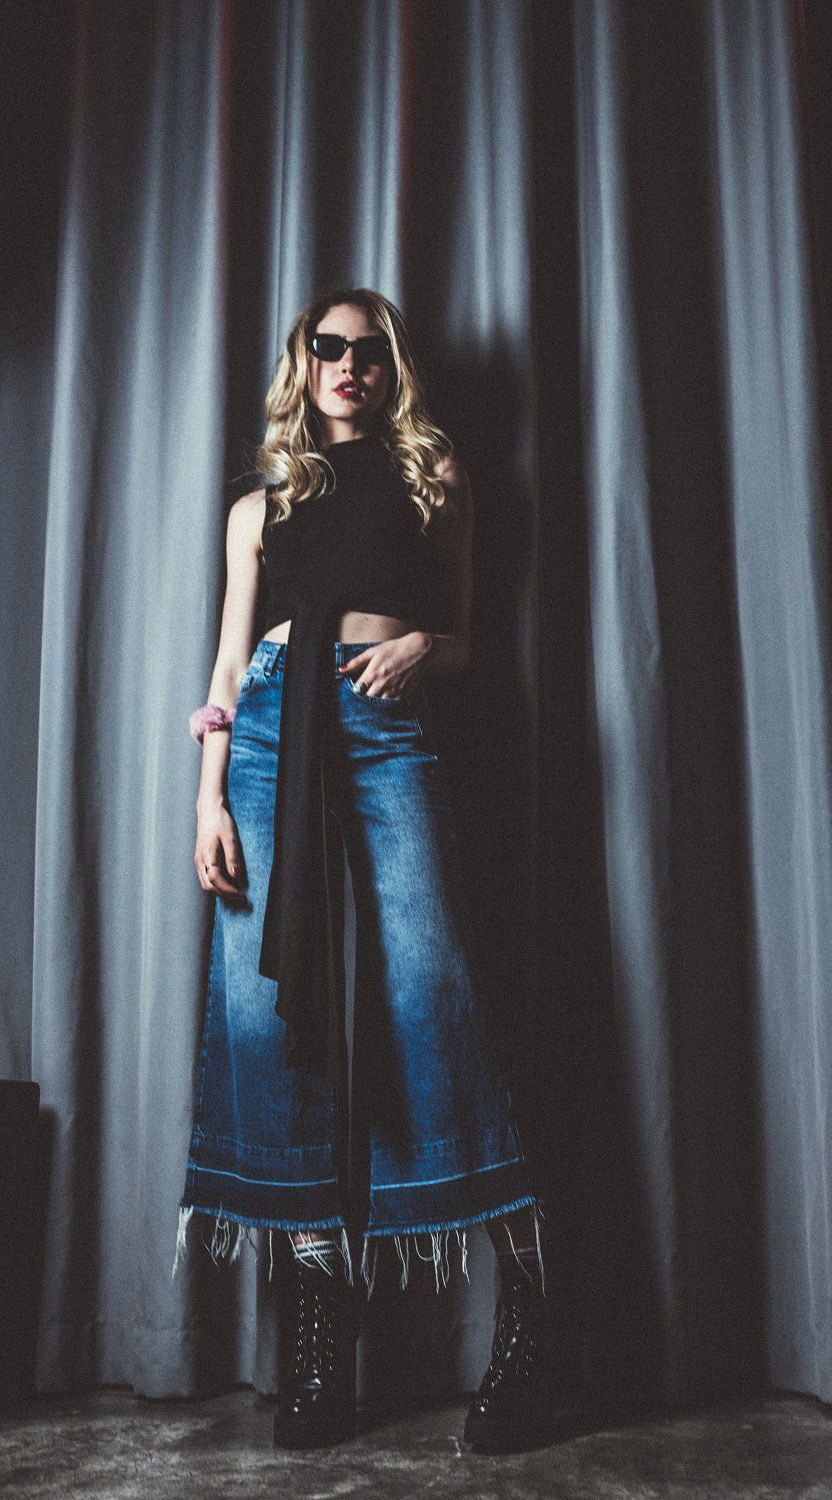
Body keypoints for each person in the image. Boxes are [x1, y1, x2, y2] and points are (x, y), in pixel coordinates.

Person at [173, 286, 553, 1454]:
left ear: (392, 368)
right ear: (304, 363)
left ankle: (527, 1318)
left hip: (384, 732)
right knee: (262, 1017)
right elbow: (227, 664)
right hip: (267, 736)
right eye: (327, 346)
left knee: (432, 999)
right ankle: (317, 1334)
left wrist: (425, 645)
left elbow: (467, 638)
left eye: (369, 349)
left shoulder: (438, 482)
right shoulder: (260, 504)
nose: (348, 363)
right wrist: (207, 795)